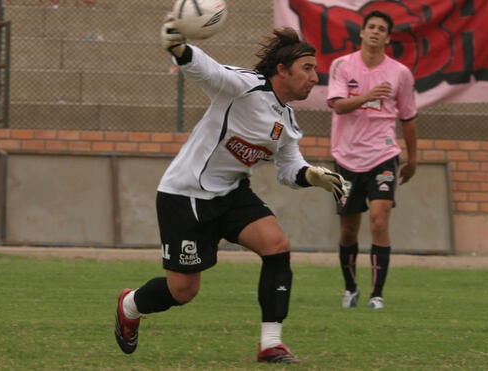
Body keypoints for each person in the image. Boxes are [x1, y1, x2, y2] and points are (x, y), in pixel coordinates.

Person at [114, 17, 347, 364]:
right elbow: (208, 72)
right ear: (282, 70)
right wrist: (180, 48)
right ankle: (129, 305)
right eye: (307, 68)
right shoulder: (245, 86)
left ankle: (271, 344)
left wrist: (312, 175)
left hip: (232, 194)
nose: (315, 77)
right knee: (183, 291)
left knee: (277, 246)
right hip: (186, 194)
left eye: (315, 69)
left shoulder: (288, 121)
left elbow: (288, 168)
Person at [326, 10, 418, 310]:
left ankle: (376, 295)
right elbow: (338, 107)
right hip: (347, 157)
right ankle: (351, 288)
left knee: (379, 221)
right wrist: (367, 96)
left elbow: (408, 116)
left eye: (382, 28)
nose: (376, 32)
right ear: (362, 33)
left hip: (383, 154)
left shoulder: (400, 73)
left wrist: (413, 157)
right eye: (371, 27)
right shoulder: (342, 66)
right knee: (349, 228)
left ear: (388, 38)